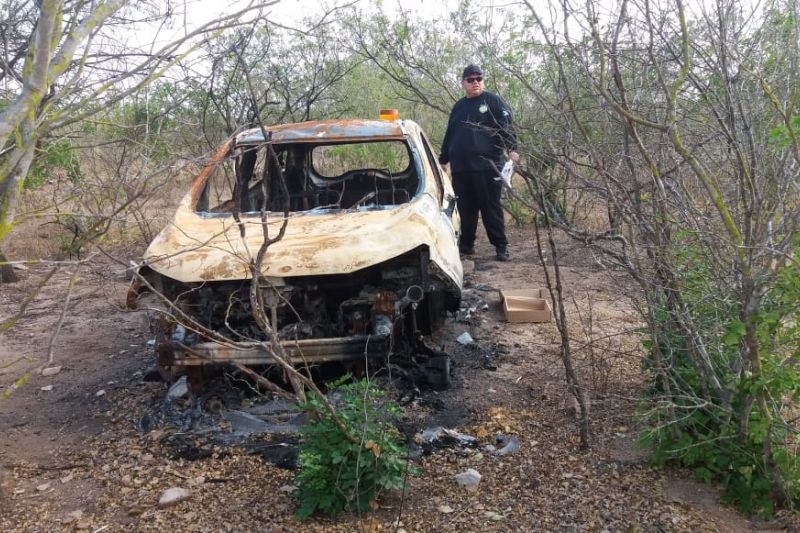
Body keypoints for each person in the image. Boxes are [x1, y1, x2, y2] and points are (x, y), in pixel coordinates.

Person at [439, 64, 519, 261]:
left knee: (490, 206)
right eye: (471, 79)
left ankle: (501, 246)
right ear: (463, 83)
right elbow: (451, 133)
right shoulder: (459, 106)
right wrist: (444, 159)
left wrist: (512, 149)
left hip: (487, 166)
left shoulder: (493, 101)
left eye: (479, 79)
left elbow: (506, 126)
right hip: (461, 168)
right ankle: (467, 245)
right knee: (465, 209)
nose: (475, 82)